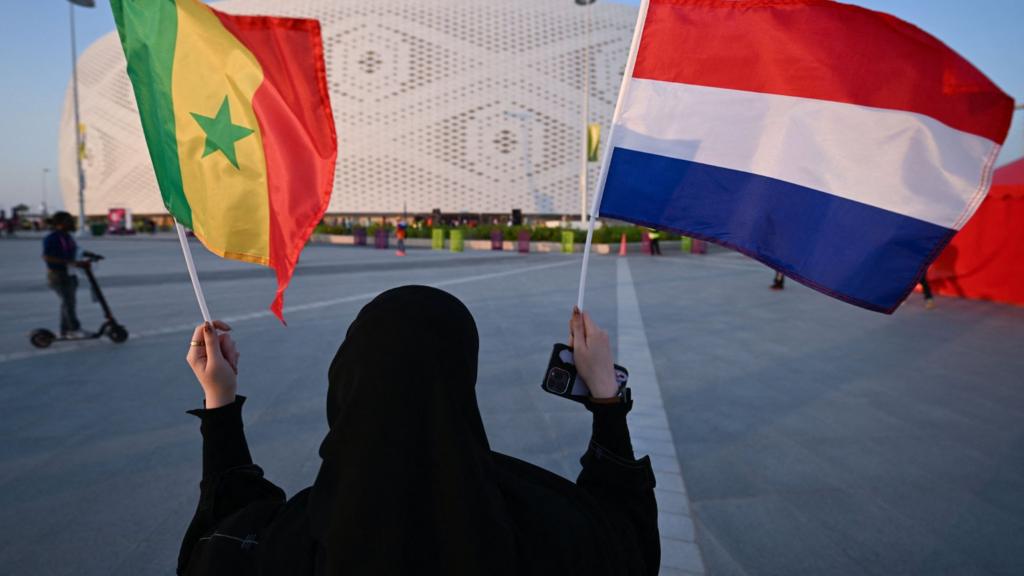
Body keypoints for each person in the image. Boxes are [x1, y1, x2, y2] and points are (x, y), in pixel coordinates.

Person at [180, 287, 659, 576]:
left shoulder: (286, 546)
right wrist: (605, 399)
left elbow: (214, 541)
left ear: (346, 378)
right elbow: (629, 541)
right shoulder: (543, 525)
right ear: (460, 384)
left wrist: (219, 402)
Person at [42, 211, 86, 338]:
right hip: (58, 275)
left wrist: (88, 255)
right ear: (60, 224)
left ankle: (65, 330)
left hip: (69, 273)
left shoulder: (67, 237)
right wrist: (68, 262)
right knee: (68, 302)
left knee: (68, 303)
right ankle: (73, 329)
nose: (71, 223)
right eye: (68, 221)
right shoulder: (52, 238)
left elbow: (76, 251)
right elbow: (47, 256)